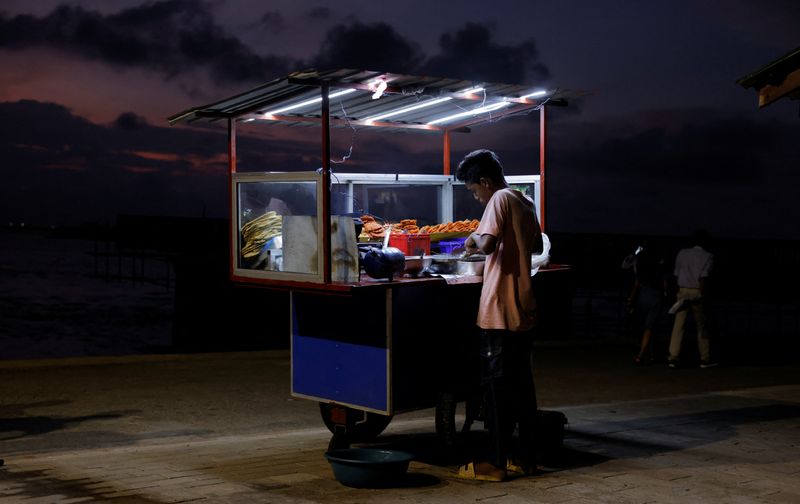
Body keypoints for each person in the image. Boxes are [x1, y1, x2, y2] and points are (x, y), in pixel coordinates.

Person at [454, 149, 543, 482]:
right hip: (523, 307)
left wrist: (473, 238)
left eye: (475, 191)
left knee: (496, 390)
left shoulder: (499, 199)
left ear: (486, 182)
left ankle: (494, 463)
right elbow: (532, 248)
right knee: (523, 388)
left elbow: (488, 244)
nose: (477, 199)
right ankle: (527, 458)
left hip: (498, 311)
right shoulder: (524, 201)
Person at [667, 229, 717, 368]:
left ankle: (673, 356)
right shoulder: (708, 256)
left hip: (682, 290)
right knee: (701, 325)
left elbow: (676, 273)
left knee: (679, 324)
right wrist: (701, 293)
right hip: (696, 291)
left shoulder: (682, 253)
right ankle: (705, 358)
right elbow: (704, 277)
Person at [626, 244, 667, 364]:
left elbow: (636, 283)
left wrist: (631, 299)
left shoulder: (641, 265)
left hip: (643, 294)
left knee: (645, 325)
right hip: (656, 295)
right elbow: (665, 284)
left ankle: (648, 353)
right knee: (651, 326)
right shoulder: (659, 266)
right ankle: (642, 354)